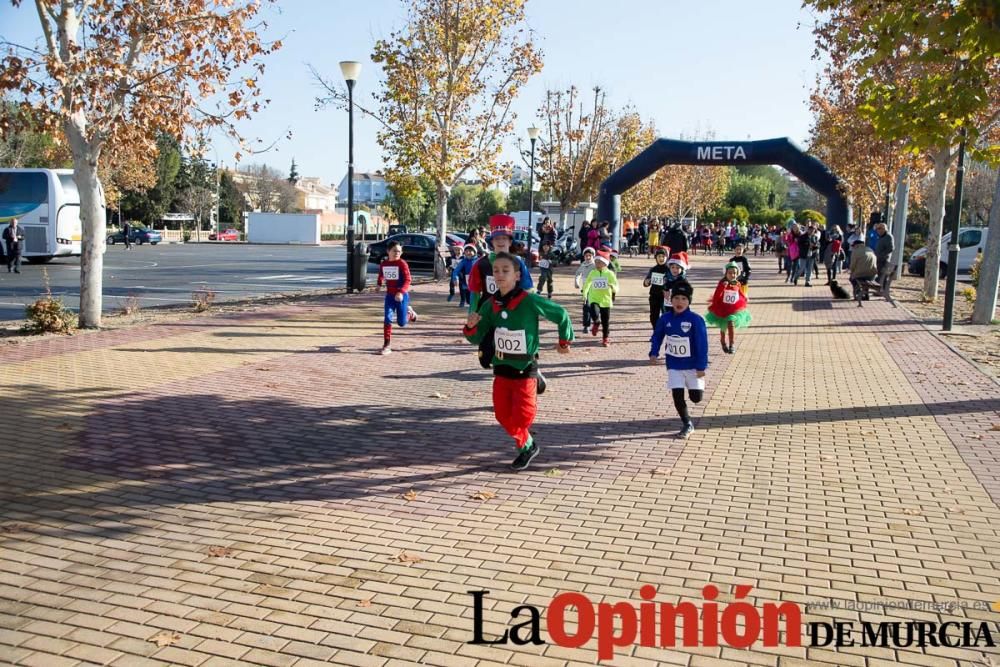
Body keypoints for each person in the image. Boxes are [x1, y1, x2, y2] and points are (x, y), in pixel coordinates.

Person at [463, 252, 573, 471]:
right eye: (496, 271)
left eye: (506, 271)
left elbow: (561, 314)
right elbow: (476, 337)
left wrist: (564, 341)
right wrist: (470, 326)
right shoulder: (490, 304)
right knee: (502, 415)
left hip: (524, 369)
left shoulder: (529, 300)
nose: (500, 275)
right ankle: (528, 445)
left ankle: (537, 384)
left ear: (516, 276)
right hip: (502, 368)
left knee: (523, 418)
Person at [649, 282, 708, 440]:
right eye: (676, 298)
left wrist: (701, 366)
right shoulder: (665, 318)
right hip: (674, 364)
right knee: (677, 394)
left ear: (689, 301)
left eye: (683, 299)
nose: (679, 302)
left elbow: (702, 344)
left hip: (693, 365)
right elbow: (657, 336)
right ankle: (687, 423)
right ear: (671, 300)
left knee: (696, 398)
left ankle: (694, 388)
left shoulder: (696, 320)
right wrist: (654, 352)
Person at [467, 214, 534, 313]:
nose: (501, 241)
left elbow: (528, 290)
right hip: (488, 315)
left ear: (510, 242)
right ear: (492, 242)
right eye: (497, 238)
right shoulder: (480, 264)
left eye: (504, 238)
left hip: (512, 314)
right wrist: (472, 314)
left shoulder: (518, 263)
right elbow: (475, 293)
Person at [377, 240, 418, 355]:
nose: (397, 253)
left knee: (401, 323)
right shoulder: (384, 264)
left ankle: (410, 314)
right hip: (390, 296)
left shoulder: (402, 264)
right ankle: (386, 345)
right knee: (387, 318)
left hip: (401, 296)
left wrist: (401, 292)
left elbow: (408, 280)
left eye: (399, 251)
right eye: (394, 251)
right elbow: (381, 274)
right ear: (388, 251)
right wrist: (379, 285)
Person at [706, 262, 752, 354]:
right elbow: (716, 296)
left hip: (733, 308)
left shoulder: (737, 283)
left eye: (734, 273)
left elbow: (740, 293)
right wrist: (723, 286)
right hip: (723, 308)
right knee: (723, 328)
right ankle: (723, 342)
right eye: (730, 273)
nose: (732, 275)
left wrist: (745, 297)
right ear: (726, 273)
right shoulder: (722, 283)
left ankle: (732, 344)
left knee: (731, 324)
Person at [583, 251, 619, 346]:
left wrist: (611, 286)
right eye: (596, 262)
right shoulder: (592, 273)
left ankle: (605, 338)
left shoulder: (610, 274)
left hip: (606, 300)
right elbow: (587, 284)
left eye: (600, 262)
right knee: (594, 312)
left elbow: (616, 286)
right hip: (594, 298)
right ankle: (596, 322)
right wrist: (585, 294)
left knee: (605, 321)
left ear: (605, 263)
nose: (597, 264)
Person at [643, 247, 671, 328]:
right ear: (656, 258)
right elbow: (646, 282)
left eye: (663, 256)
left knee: (666, 315)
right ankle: (656, 332)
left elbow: (673, 280)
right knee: (653, 316)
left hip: (665, 296)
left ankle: (666, 332)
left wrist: (667, 282)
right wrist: (646, 282)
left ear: (667, 257)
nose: (661, 258)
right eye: (659, 256)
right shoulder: (653, 269)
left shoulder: (669, 269)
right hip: (654, 295)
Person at [848, 237, 878, 305]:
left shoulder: (855, 252)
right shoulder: (870, 249)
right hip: (872, 275)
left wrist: (851, 272)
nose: (853, 248)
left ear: (857, 245)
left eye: (853, 246)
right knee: (863, 280)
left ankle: (858, 293)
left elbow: (852, 265)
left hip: (861, 275)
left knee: (852, 278)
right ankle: (865, 294)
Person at [574, 247, 597, 333]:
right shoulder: (583, 265)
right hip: (585, 290)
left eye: (589, 256)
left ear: (593, 256)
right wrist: (576, 282)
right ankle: (586, 325)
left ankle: (596, 323)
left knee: (595, 308)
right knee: (586, 307)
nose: (587, 258)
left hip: (595, 291)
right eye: (586, 256)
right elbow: (578, 273)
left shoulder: (596, 265)